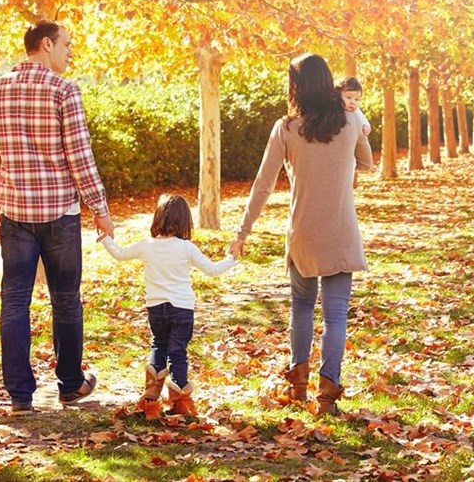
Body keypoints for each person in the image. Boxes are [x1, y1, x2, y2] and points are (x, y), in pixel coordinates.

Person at [0, 20, 114, 415]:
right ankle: (70, 385)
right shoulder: (64, 90)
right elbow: (80, 157)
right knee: (66, 300)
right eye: (67, 45)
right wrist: (100, 210)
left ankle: (20, 396)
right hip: (59, 213)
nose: (70, 52)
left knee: (14, 302)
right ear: (46, 44)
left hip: (16, 214)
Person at [230, 54, 373, 415]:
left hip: (303, 234)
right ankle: (328, 394)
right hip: (341, 230)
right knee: (336, 313)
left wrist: (242, 231)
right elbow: (368, 163)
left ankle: (297, 387)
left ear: (296, 86)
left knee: (302, 306)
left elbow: (263, 185)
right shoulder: (351, 119)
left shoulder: (286, 127)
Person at [98, 194, 236, 416]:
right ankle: (179, 401)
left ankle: (151, 396)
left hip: (156, 308)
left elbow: (120, 254)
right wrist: (231, 258)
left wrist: (105, 238)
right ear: (185, 222)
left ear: (158, 218)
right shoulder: (186, 247)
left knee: (158, 346)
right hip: (181, 309)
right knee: (177, 352)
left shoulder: (147, 245)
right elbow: (212, 270)